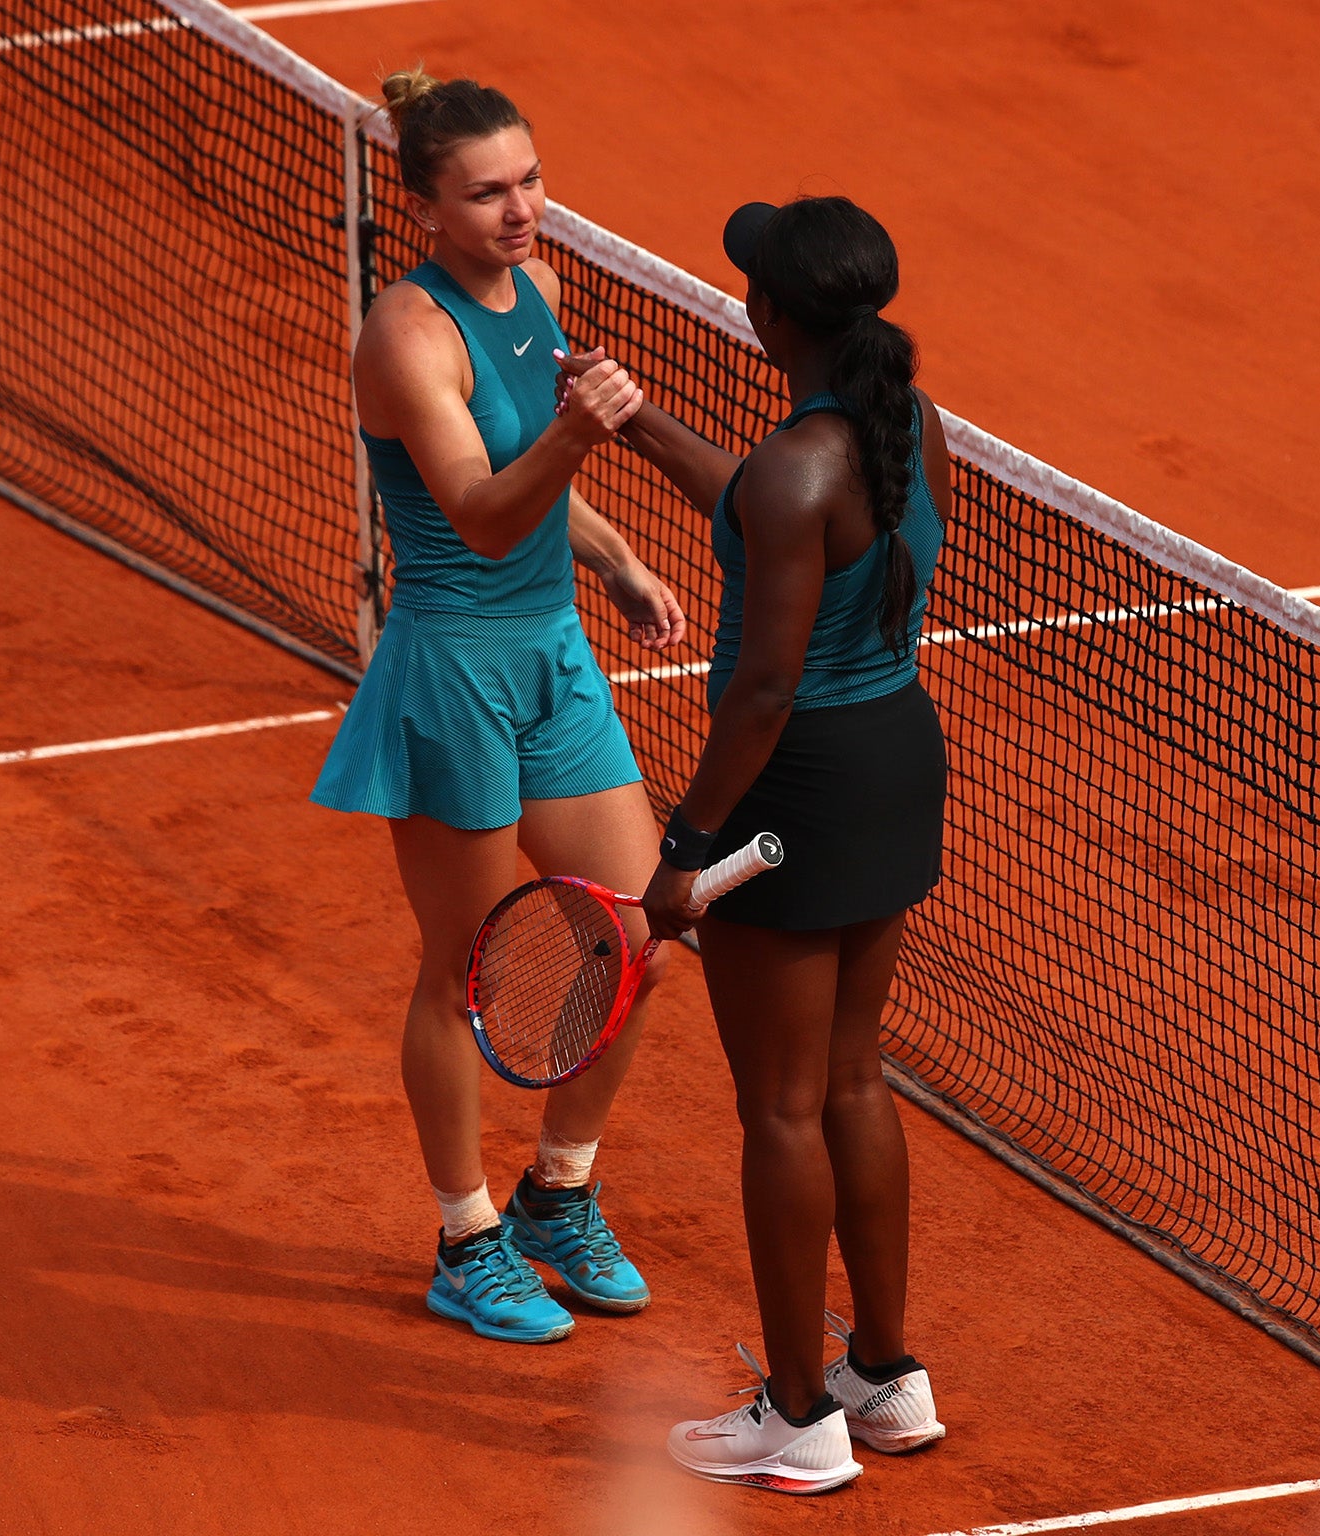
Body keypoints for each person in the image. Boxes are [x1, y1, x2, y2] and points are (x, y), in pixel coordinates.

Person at [561, 195, 952, 1490]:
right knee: (852, 1077)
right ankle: (887, 1380)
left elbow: (764, 689)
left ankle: (797, 1415)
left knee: (780, 1102)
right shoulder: (901, 426)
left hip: (797, 788)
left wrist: (687, 846)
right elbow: (775, 511)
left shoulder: (798, 471)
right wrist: (637, 419)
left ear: (770, 315)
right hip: (896, 761)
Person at [311, 67, 687, 1345]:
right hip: (452, 670)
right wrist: (583, 438)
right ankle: (465, 1233)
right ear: (423, 205)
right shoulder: (404, 334)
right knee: (460, 970)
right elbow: (476, 510)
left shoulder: (532, 290)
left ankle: (555, 1193)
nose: (521, 210)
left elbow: (535, 459)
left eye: (529, 180)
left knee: (638, 932)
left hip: (553, 657)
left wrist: (620, 560)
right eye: (486, 193)